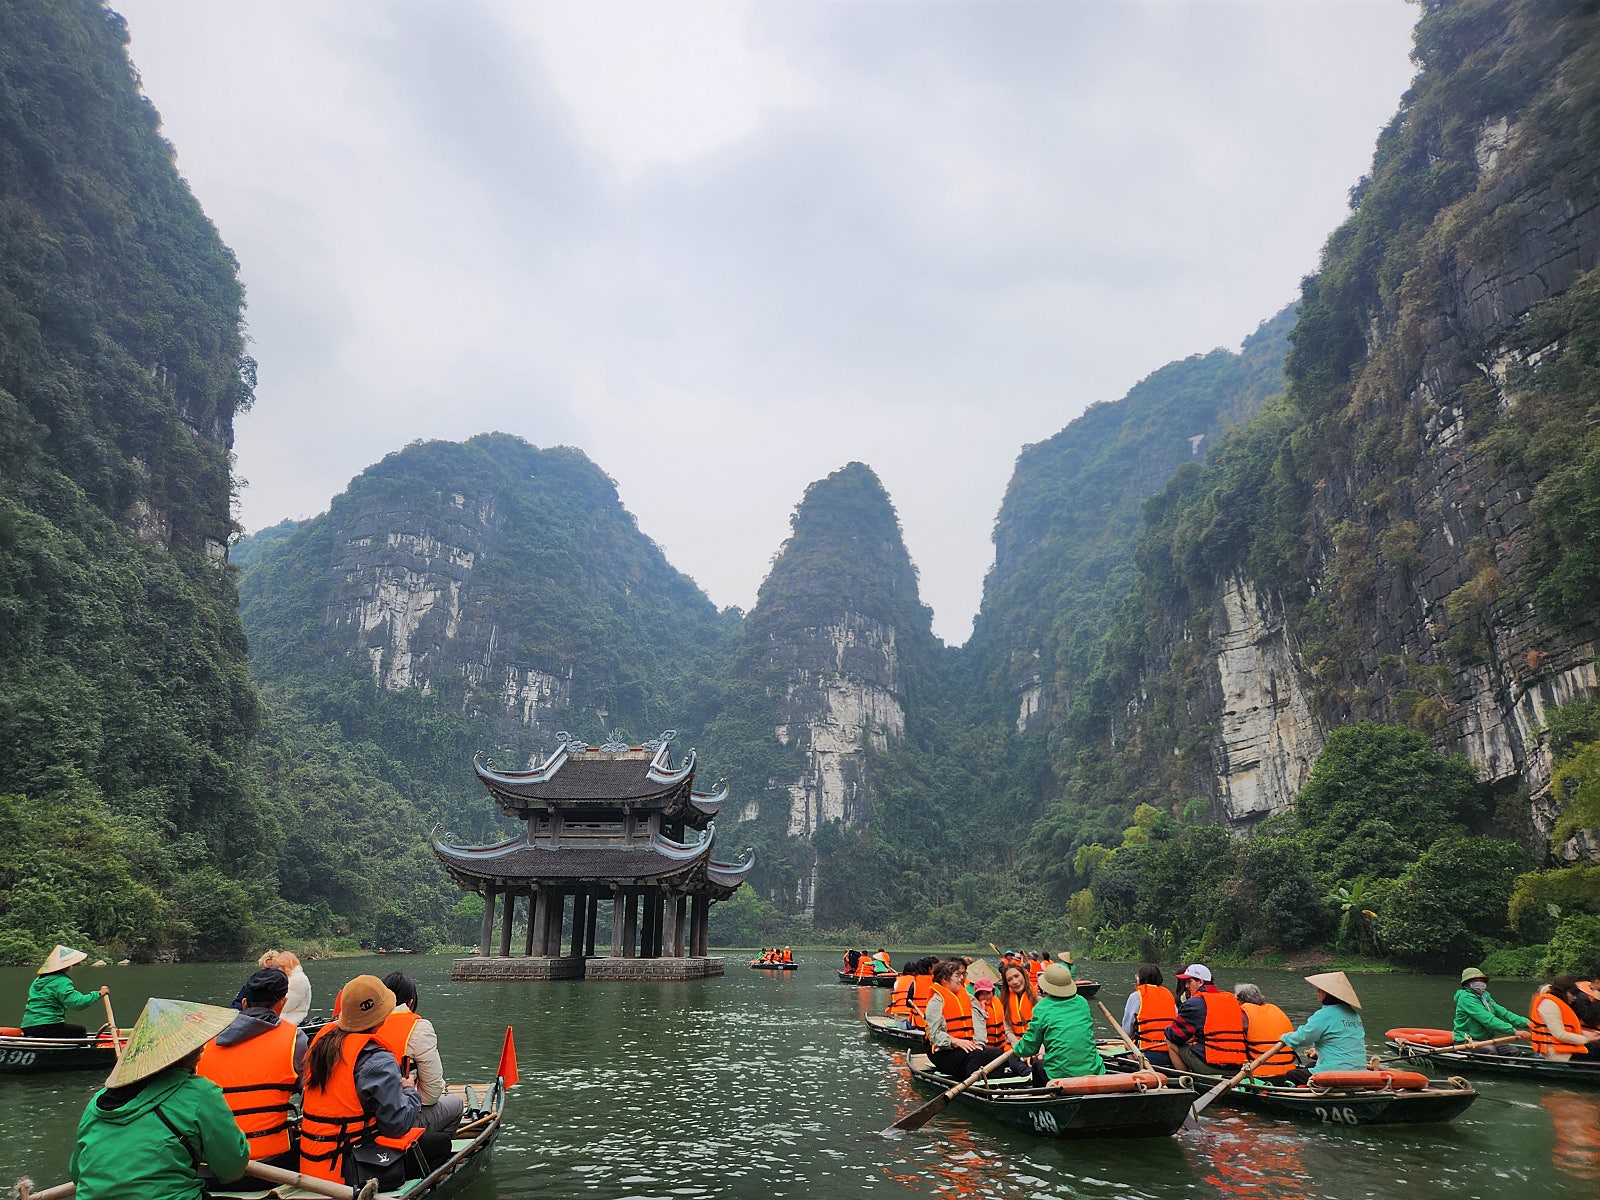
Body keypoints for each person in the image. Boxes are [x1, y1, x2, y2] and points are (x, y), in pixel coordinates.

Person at [69, 998, 248, 1200]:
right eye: (197, 1046)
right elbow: (231, 1169)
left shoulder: (97, 1102)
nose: (201, 1051)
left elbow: (77, 1173)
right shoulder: (200, 1093)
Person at [300, 974, 440, 1187]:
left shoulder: (322, 1043)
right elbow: (396, 1126)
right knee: (441, 1144)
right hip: (350, 1169)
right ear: (380, 1015)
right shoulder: (376, 1058)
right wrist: (410, 1091)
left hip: (313, 1163)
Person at [196, 967, 309, 1171]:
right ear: (282, 1004)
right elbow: (311, 1093)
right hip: (272, 1163)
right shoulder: (295, 1039)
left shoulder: (204, 1042)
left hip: (213, 1166)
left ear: (244, 1003)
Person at [379, 971, 464, 1135]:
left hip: (361, 1120)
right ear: (411, 1002)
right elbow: (431, 1094)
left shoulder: (362, 1026)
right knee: (456, 1105)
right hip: (397, 1121)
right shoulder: (419, 1029)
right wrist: (412, 1093)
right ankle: (428, 1148)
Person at [925, 960, 1019, 1078]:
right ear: (944, 979)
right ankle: (972, 1084)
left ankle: (994, 1084)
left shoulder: (969, 999)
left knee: (997, 1053)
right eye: (957, 975)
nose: (961, 978)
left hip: (967, 1048)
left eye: (962, 975)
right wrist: (956, 1042)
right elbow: (935, 1035)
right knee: (976, 1055)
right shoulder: (936, 1002)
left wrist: (979, 1044)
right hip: (943, 1051)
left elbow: (979, 1024)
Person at [1014, 963, 1105, 1084]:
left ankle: (1043, 1093)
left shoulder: (1042, 1007)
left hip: (1058, 1075)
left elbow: (1030, 1047)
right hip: (1093, 1070)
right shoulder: (1082, 1002)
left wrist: (1016, 1050)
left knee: (1037, 1065)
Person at [1165, 963, 1247, 1074]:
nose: (1186, 986)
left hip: (1213, 1066)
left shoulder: (1195, 1003)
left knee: (1169, 1041)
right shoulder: (1231, 999)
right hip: (1238, 1066)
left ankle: (1185, 1078)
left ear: (1200, 982)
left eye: (1189, 982)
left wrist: (1168, 1031)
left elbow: (1175, 1035)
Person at [1281, 972, 1368, 1073]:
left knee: (1291, 1074)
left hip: (1334, 1072)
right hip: (1359, 1071)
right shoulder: (1354, 1015)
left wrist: (1284, 1038)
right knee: (1310, 1066)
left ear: (1329, 994)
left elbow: (1303, 1037)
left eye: (1320, 990)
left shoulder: (1325, 1014)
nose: (1318, 992)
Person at [22, 944, 109, 1039]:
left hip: (28, 1026)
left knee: (69, 1030)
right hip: (47, 1025)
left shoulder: (38, 980)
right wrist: (98, 994)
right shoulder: (61, 980)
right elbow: (78, 1003)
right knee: (80, 1031)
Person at [1234, 983, 1303, 1083]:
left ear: (1240, 999)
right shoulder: (1275, 1010)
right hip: (1288, 1072)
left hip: (1260, 1074)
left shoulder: (1244, 1013)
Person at [1453, 967, 1532, 1047]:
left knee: (1512, 1050)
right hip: (1467, 1039)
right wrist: (1514, 1031)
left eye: (1481, 980)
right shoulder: (1466, 998)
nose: (1480, 983)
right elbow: (1488, 1019)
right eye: (1476, 980)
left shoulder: (1485, 996)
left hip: (1485, 1039)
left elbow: (1504, 1014)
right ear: (1467, 983)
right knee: (1490, 1050)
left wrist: (1526, 1022)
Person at [1529, 976, 1600, 1061]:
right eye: (1573, 994)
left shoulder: (1557, 1003)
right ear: (1565, 992)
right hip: (1556, 1053)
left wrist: (1586, 1033)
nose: (1575, 998)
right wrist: (1586, 1039)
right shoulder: (1549, 1005)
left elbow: (1564, 1029)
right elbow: (1560, 1035)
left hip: (1564, 1048)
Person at [1121, 963, 1177, 1069]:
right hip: (1170, 1054)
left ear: (1141, 978)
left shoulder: (1137, 996)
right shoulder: (1169, 994)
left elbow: (1126, 1030)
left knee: (1126, 1042)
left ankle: (1136, 1068)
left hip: (1147, 1054)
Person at [998, 961, 1037, 1047]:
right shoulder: (1005, 1001)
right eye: (1009, 980)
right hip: (1016, 1045)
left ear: (1023, 975)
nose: (1015, 982)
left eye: (1017, 976)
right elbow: (1008, 1030)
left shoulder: (1038, 999)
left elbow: (1043, 1029)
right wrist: (1017, 1046)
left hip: (1036, 1045)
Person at [975, 977, 1005, 1049]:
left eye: (988, 993)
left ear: (992, 993)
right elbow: (979, 1023)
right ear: (977, 995)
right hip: (986, 1046)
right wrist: (982, 1010)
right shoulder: (976, 1006)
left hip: (1002, 1042)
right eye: (982, 994)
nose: (985, 996)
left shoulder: (997, 1001)